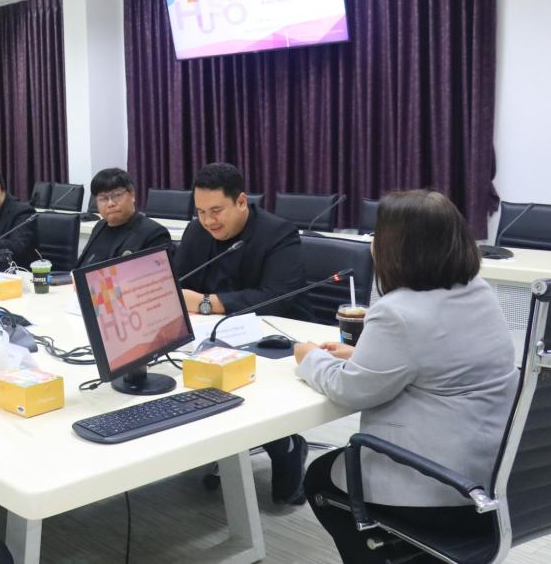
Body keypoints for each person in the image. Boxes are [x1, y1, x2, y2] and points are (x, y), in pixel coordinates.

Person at [295, 190, 518, 563]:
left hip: (440, 487)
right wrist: (360, 355)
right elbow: (438, 359)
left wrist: (309, 357)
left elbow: (348, 390)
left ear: (398, 249)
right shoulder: (480, 293)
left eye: (377, 234)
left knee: (319, 478)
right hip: (492, 480)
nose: (372, 243)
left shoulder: (397, 312)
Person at [173, 162, 312, 504]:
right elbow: (177, 285)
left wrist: (208, 303)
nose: (208, 221)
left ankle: (285, 444)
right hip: (209, 337)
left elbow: (276, 297)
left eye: (216, 210)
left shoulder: (279, 233)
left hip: (272, 337)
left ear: (241, 201)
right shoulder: (196, 232)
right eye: (201, 212)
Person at [77, 168, 171, 267]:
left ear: (132, 194)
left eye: (117, 195)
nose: (110, 203)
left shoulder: (154, 234)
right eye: (103, 198)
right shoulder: (100, 226)